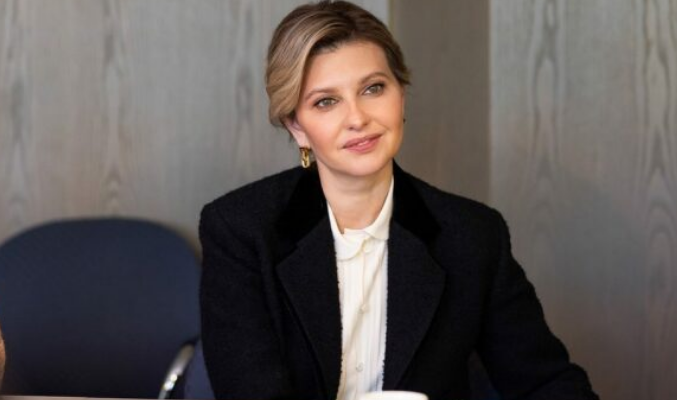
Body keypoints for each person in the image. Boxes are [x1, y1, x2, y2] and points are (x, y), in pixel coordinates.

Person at [199, 1, 599, 399]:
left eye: (373, 88)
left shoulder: (472, 236)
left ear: (401, 97)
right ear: (297, 127)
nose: (358, 118)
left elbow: (547, 383)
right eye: (326, 101)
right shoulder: (241, 231)